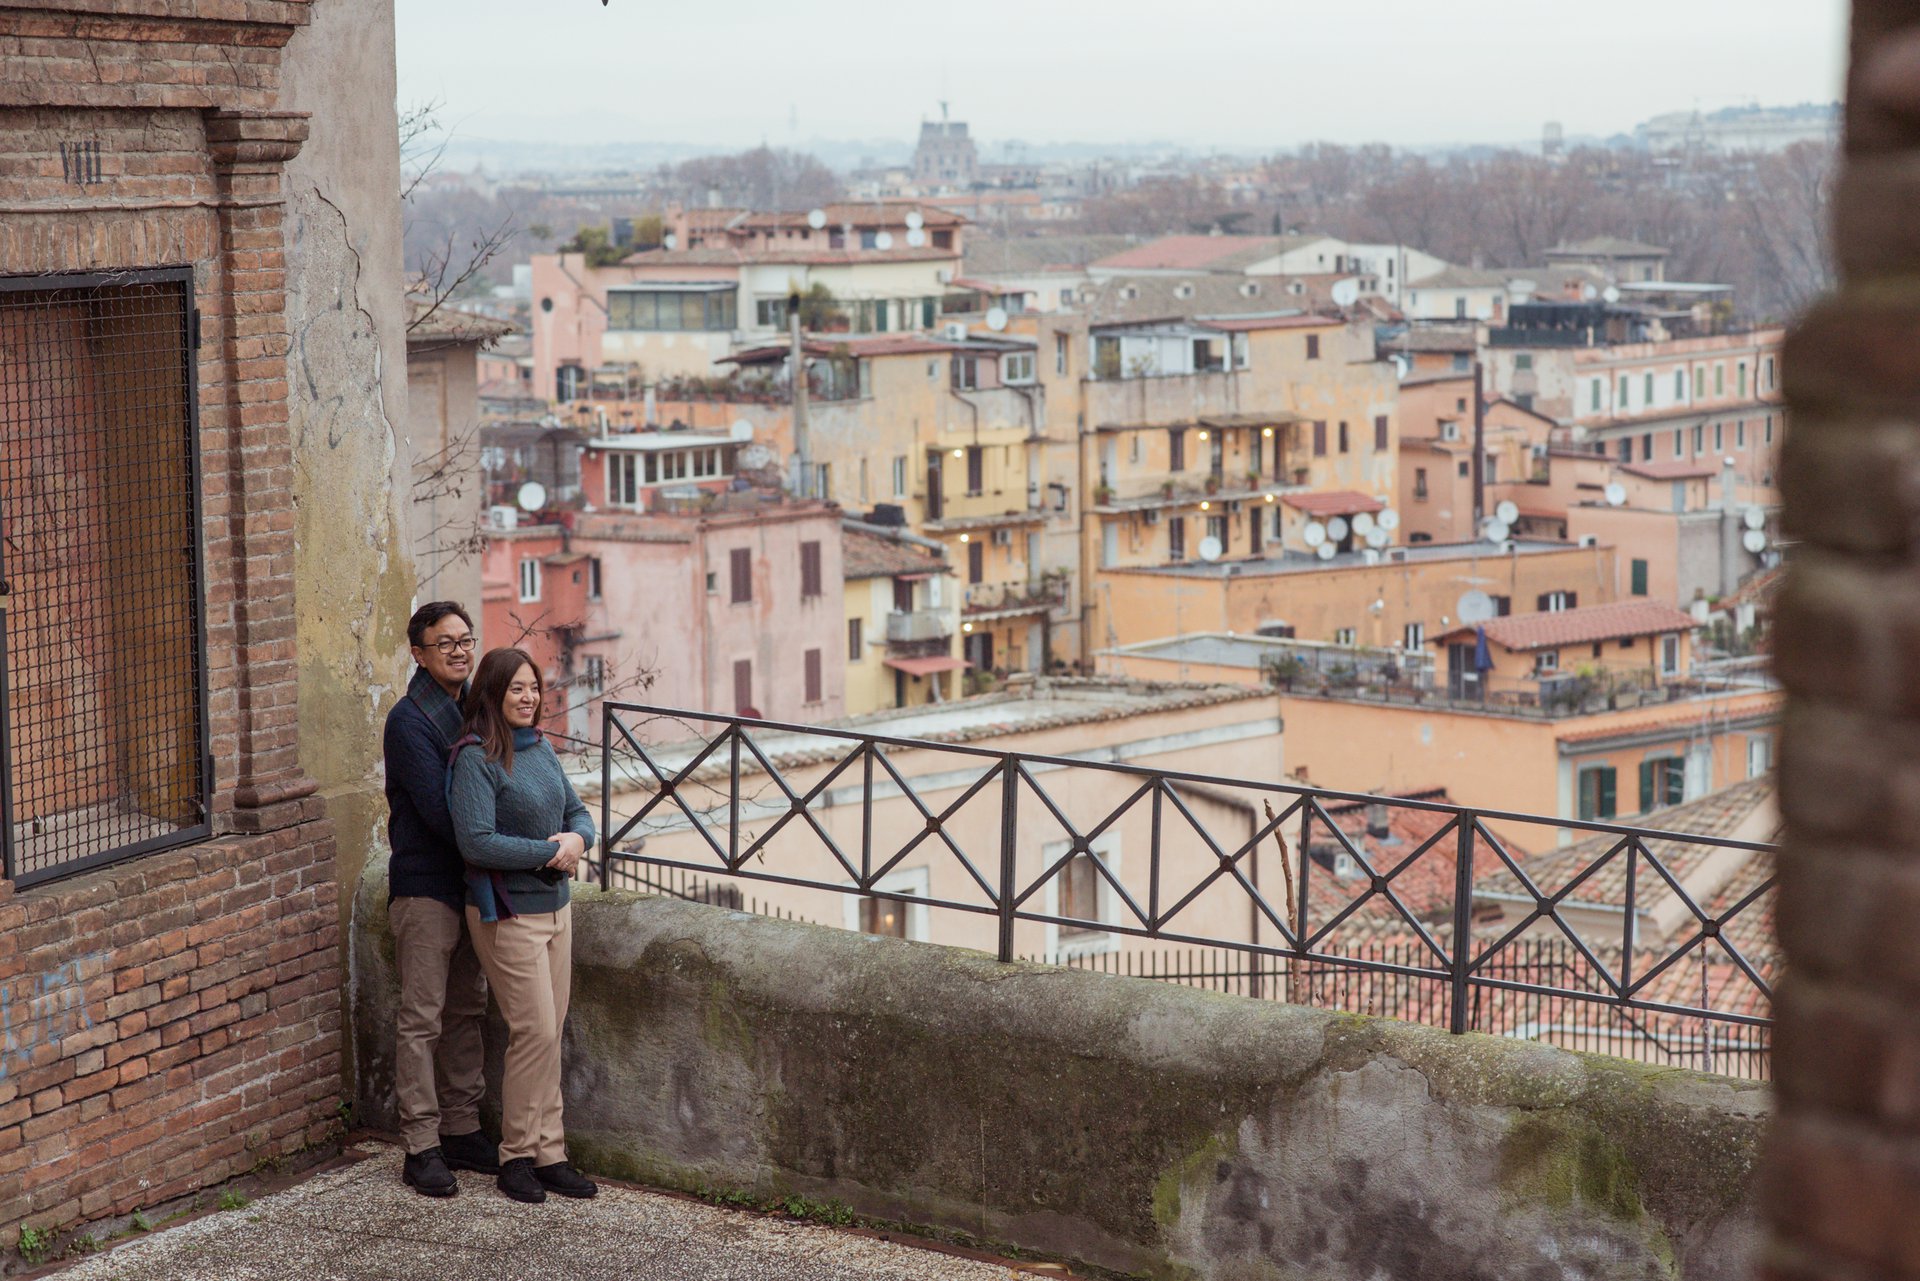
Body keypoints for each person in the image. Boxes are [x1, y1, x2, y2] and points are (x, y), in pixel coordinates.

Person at [449, 647, 598, 1204]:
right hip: (506, 913)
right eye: (516, 688)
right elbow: (476, 840)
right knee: (533, 1032)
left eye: (534, 687)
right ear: (491, 693)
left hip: (556, 909)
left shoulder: (542, 751)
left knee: (548, 1031)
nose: (529, 697)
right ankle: (516, 1157)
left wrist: (579, 838)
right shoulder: (475, 759)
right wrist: (547, 850)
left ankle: (551, 1153)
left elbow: (578, 813)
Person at [382, 601, 500, 1197]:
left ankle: (460, 1127)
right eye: (445, 642)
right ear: (419, 653)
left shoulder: (472, 713)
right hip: (426, 888)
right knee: (423, 1019)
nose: (459, 650)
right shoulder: (410, 722)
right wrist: (503, 843)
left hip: (469, 886)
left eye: (465, 639)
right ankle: (421, 1145)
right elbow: (439, 812)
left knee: (466, 1012)